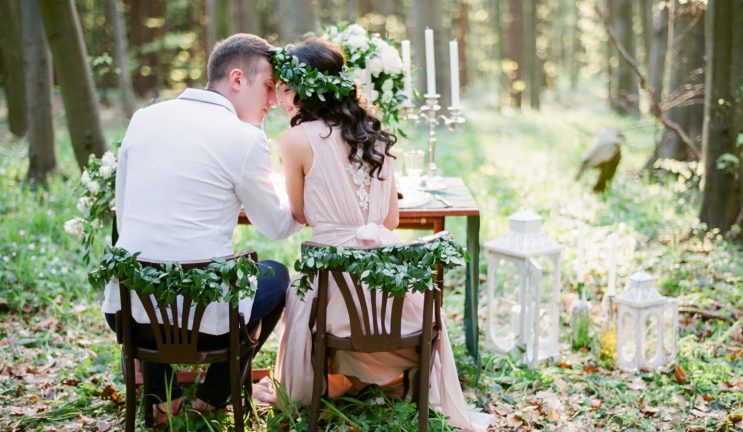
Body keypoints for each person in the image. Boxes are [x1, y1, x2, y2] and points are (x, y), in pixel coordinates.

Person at [264, 38, 491, 432]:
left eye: (287, 87)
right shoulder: (376, 135)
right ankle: (368, 378)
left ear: (308, 87)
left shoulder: (295, 140)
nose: (282, 97)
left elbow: (299, 213)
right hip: (393, 301)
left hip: (336, 296)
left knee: (301, 293)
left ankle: (335, 379)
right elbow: (390, 217)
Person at [101, 33, 303, 426]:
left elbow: (123, 218)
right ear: (238, 79)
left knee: (152, 269)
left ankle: (164, 399)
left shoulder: (144, 118)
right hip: (206, 328)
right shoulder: (245, 138)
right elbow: (277, 225)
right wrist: (304, 195)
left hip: (127, 317)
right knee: (276, 275)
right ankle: (213, 396)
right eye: (268, 87)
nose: (274, 100)